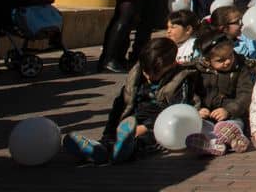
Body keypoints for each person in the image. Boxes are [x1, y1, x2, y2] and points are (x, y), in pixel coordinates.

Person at [64, 37, 204, 164]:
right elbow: (121, 104)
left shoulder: (181, 79)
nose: (149, 76)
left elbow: (177, 112)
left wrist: (146, 127)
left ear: (172, 64)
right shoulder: (136, 78)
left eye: (156, 73)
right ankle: (101, 147)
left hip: (160, 125)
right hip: (131, 121)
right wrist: (109, 131)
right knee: (116, 134)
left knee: (147, 141)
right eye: (146, 71)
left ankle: (125, 149)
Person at [185, 33, 256, 155]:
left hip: (231, 113)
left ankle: (235, 137)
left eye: (230, 56)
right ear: (207, 61)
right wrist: (198, 109)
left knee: (235, 123)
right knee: (201, 125)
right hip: (209, 115)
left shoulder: (240, 67)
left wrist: (228, 110)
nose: (228, 61)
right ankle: (214, 144)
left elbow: (245, 93)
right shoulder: (197, 71)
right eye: (220, 60)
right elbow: (192, 93)